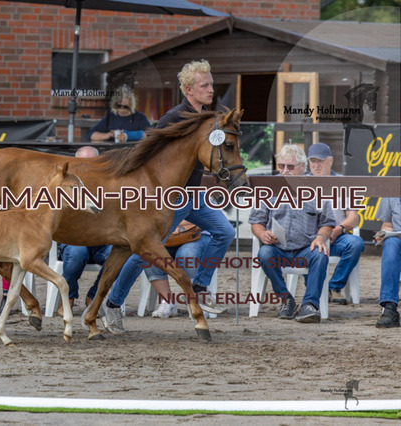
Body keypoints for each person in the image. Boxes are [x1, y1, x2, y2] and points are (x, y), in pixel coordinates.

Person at [97, 59, 234, 334]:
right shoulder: (174, 117)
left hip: (194, 195)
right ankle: (112, 303)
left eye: (211, 84)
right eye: (204, 85)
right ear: (188, 90)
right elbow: (149, 153)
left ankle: (200, 286)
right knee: (144, 254)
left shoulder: (209, 118)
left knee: (226, 232)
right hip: (171, 199)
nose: (211, 89)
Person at [249, 144, 336, 323]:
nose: (284, 170)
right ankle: (286, 299)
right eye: (281, 166)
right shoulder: (269, 188)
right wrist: (263, 234)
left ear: (302, 167)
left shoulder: (317, 189)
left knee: (321, 254)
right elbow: (256, 222)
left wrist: (320, 237)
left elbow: (327, 223)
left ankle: (309, 305)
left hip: (305, 248)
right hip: (277, 248)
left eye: (290, 166)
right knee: (264, 253)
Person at [306, 142, 364, 304]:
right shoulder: (302, 183)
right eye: (312, 161)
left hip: (337, 237)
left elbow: (354, 217)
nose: (316, 165)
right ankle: (314, 287)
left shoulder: (341, 182)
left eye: (320, 161)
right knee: (301, 244)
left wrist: (339, 229)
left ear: (330, 160)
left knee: (356, 243)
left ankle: (333, 287)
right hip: (310, 238)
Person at [57, 146, 111, 314]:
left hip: (101, 241)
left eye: (92, 162)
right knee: (77, 253)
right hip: (74, 239)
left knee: (119, 255)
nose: (87, 166)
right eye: (82, 162)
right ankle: (68, 297)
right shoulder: (65, 185)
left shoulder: (108, 182)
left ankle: (94, 296)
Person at [145, 221, 211, 318]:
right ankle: (167, 302)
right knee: (150, 256)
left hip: (198, 233)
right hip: (165, 236)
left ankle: (196, 302)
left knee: (187, 254)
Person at [374, 197, 401, 328]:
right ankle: (389, 306)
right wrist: (383, 234)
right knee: (390, 244)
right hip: (398, 238)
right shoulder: (390, 193)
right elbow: (388, 225)